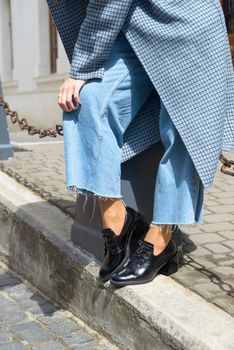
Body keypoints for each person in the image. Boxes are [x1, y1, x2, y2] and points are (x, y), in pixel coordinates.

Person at [48, 0, 234, 286]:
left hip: (184, 23)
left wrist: (81, 68)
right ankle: (118, 222)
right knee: (87, 103)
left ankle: (161, 239)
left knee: (182, 131)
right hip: (131, 26)